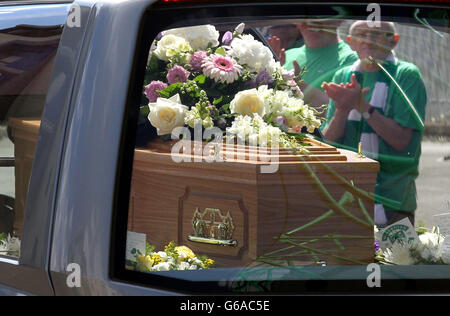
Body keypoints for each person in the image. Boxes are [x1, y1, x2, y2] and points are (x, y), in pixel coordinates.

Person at [321, 21, 427, 227]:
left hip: (394, 202)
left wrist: (363, 107)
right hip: (346, 200)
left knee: (398, 259)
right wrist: (342, 110)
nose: (368, 41)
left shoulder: (406, 75)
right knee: (347, 259)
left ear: (394, 41)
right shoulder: (342, 75)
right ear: (351, 42)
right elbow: (328, 143)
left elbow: (402, 142)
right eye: (361, 35)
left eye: (377, 35)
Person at [275, 20, 358, 110]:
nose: (310, 22)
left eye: (320, 17)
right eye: (305, 16)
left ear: (339, 20)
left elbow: (340, 111)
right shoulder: (286, 55)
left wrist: (296, 85)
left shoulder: (352, 60)